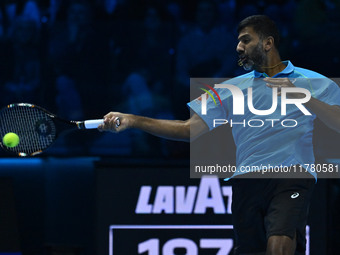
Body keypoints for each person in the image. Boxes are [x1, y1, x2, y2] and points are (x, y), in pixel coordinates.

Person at [98, 15, 340, 255]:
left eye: (246, 40)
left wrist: (304, 98)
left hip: (292, 176)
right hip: (247, 180)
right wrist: (133, 120)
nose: (239, 47)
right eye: (238, 42)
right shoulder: (229, 89)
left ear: (268, 43)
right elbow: (188, 129)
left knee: (279, 242)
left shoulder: (314, 82)